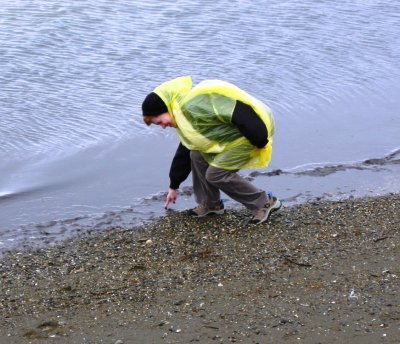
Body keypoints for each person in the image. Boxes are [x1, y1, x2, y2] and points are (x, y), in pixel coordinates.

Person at [141, 76, 281, 224]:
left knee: (216, 174)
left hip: (251, 136)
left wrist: (259, 137)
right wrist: (173, 186)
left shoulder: (192, 106)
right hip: (233, 140)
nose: (162, 126)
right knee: (196, 155)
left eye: (160, 121)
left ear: (166, 108)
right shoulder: (182, 119)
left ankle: (264, 203)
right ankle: (211, 205)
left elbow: (237, 109)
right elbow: (185, 151)